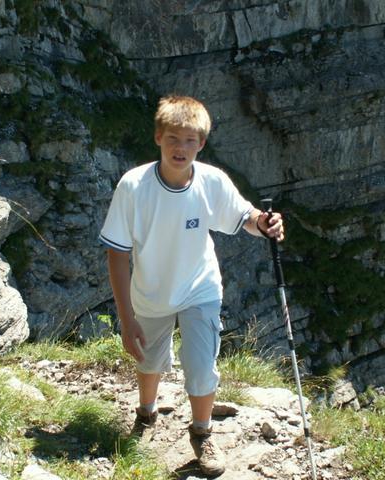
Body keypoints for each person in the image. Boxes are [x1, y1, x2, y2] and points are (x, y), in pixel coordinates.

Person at [99, 95, 284, 476]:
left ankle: (202, 432)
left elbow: (245, 217)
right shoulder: (133, 187)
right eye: (172, 138)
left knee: (201, 366)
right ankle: (146, 413)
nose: (180, 148)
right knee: (148, 360)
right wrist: (126, 319)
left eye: (189, 140)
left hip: (200, 288)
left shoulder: (212, 181)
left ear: (201, 143)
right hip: (151, 292)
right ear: (158, 138)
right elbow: (117, 254)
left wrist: (264, 223)